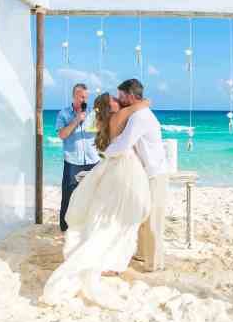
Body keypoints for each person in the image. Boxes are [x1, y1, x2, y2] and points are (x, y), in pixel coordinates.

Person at [42, 92, 152, 308]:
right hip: (124, 169)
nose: (116, 100)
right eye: (113, 99)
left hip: (115, 168)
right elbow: (141, 105)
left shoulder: (105, 120)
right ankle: (109, 260)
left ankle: (109, 261)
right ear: (108, 105)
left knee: (111, 216)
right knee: (117, 216)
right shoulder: (118, 116)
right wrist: (139, 101)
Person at [105, 79, 168, 272]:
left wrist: (104, 153)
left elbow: (124, 143)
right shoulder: (137, 114)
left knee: (153, 220)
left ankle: (155, 263)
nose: (120, 99)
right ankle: (142, 254)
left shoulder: (140, 116)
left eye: (122, 96)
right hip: (146, 172)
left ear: (131, 96)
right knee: (142, 215)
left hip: (154, 173)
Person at [55, 83, 100, 231]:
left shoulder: (93, 113)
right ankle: (65, 228)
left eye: (86, 97)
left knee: (93, 196)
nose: (84, 99)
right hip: (73, 161)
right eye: (82, 97)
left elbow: (98, 133)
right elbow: (62, 135)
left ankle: (89, 226)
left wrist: (100, 124)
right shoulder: (64, 114)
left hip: (93, 160)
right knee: (69, 196)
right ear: (74, 96)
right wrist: (76, 120)